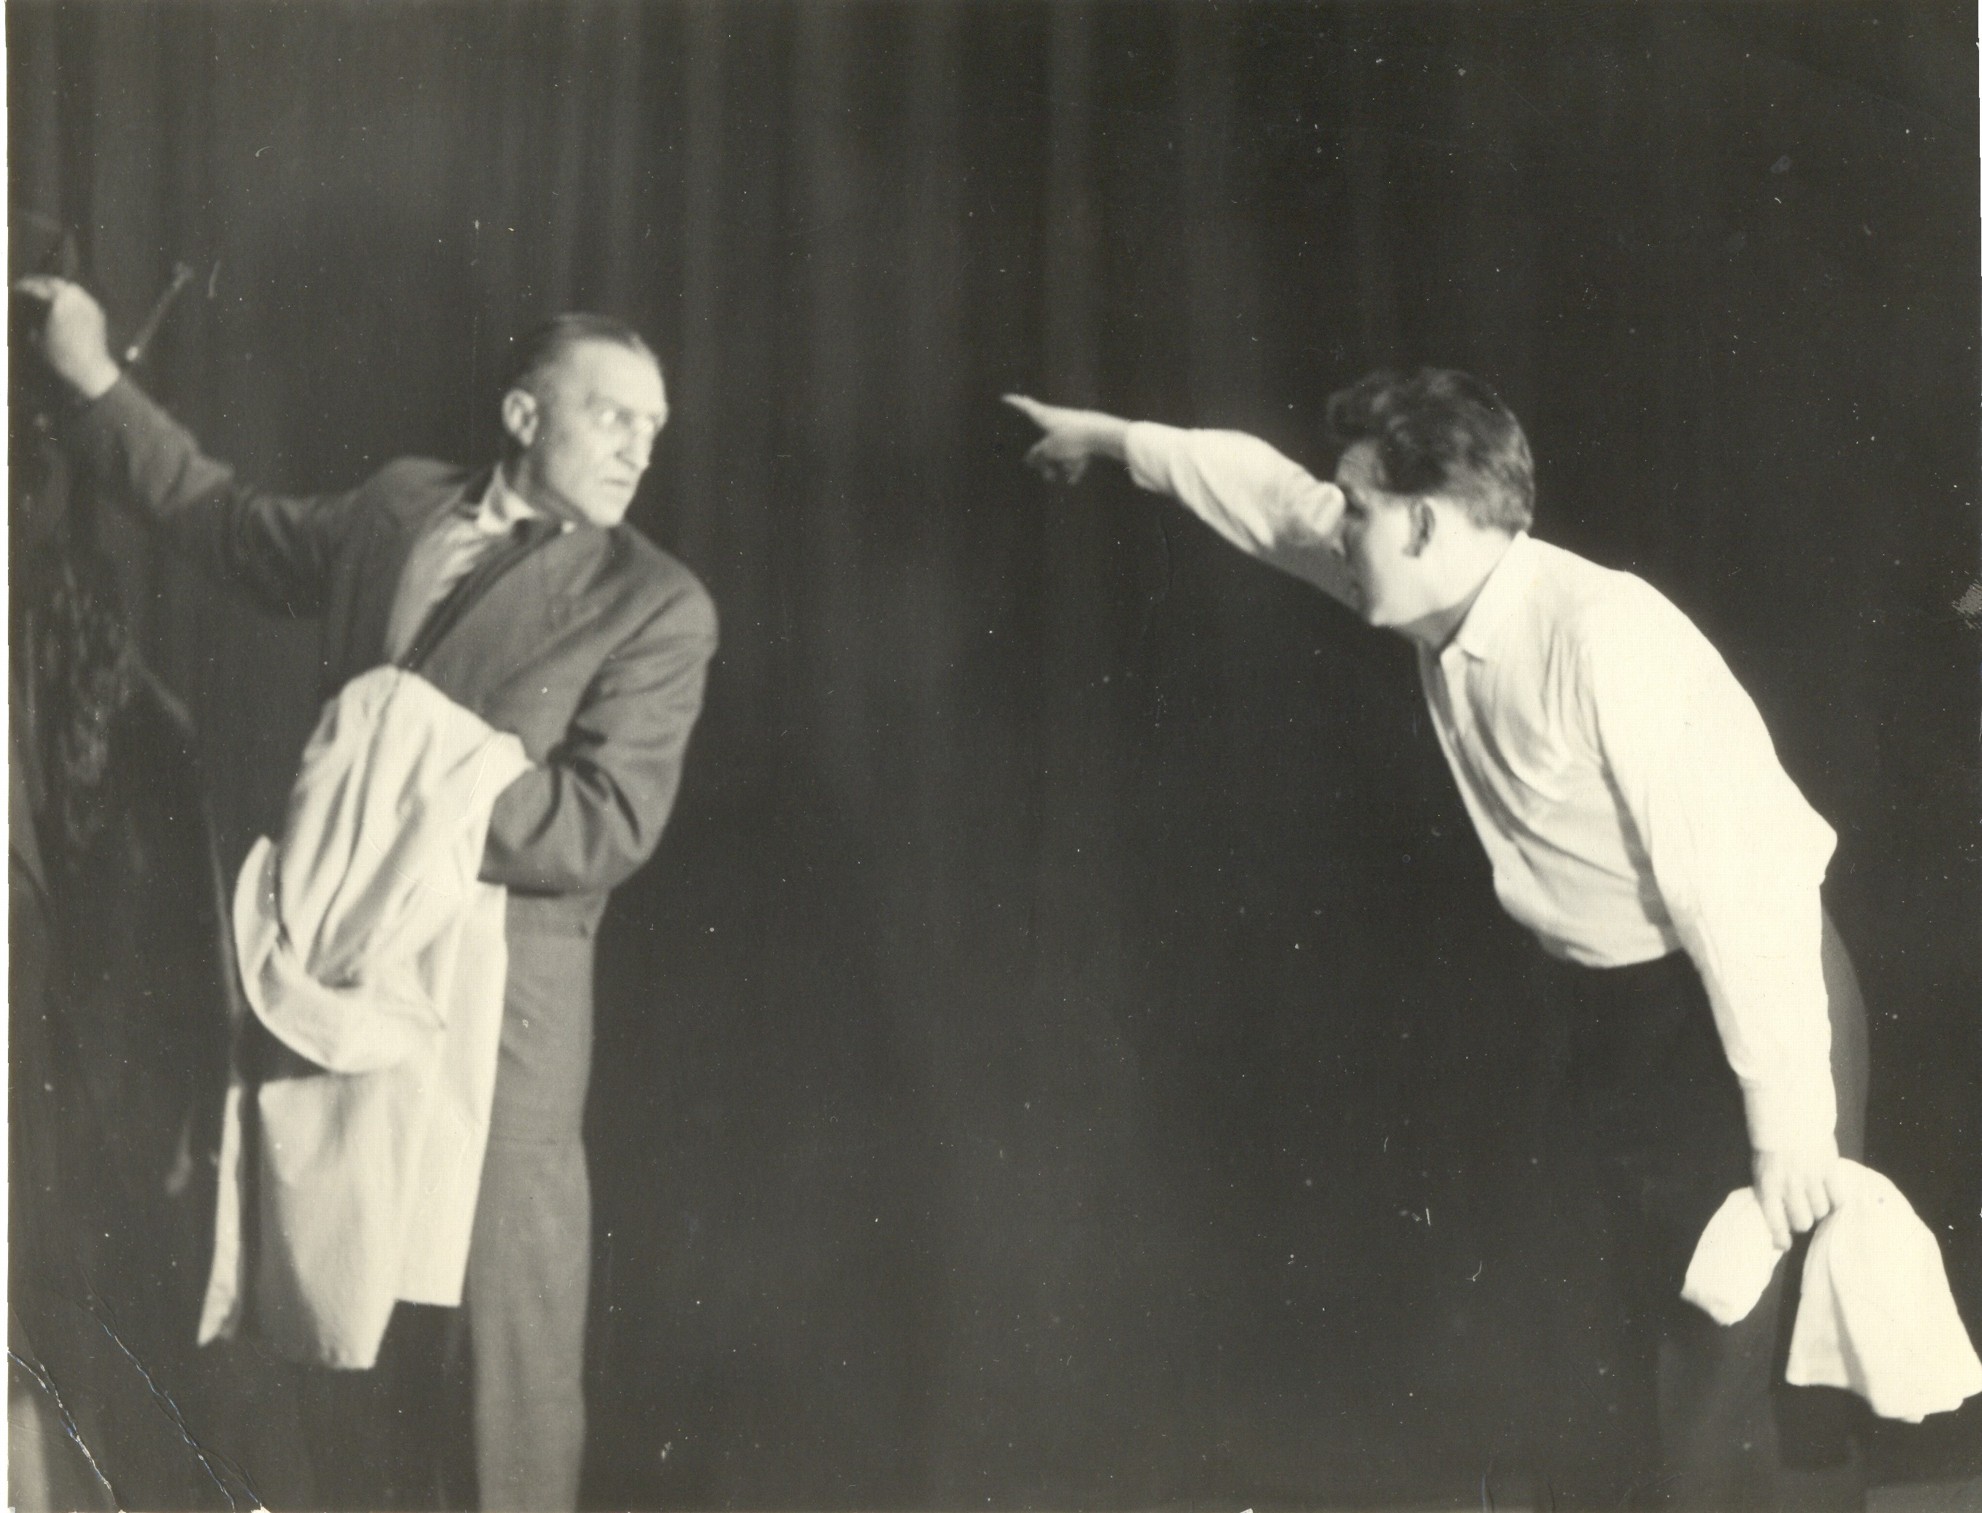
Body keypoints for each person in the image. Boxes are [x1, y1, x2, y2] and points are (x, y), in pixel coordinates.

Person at [1006, 372, 1868, 1509]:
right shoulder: (1427, 582)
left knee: (1720, 1378)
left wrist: (1790, 1123)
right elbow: (1265, 499)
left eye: (1356, 506)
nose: (1335, 522)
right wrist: (1112, 437)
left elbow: (1740, 894)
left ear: (1422, 522)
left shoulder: (1605, 635)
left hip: (1753, 1000)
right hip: (1618, 1013)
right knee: (1606, 1363)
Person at [20, 275, 719, 1513]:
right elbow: (227, 524)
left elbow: (600, 824)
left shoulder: (653, 602)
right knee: (337, 1343)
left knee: (497, 1380)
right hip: (332, 990)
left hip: (493, 1039)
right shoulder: (399, 507)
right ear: (522, 414)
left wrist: (395, 767)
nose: (637, 448)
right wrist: (90, 383)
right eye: (611, 415)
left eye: (652, 428)